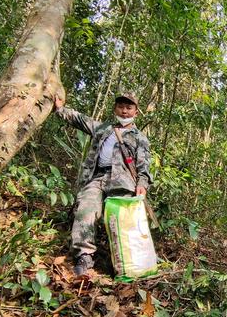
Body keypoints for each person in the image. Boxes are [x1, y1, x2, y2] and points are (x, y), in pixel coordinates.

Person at [51, 89, 152, 279]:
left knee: (121, 223)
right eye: (121, 106)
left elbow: (144, 165)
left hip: (123, 183)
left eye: (129, 108)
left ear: (136, 112)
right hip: (97, 178)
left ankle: (123, 265)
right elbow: (80, 120)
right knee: (86, 209)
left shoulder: (140, 137)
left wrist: (143, 184)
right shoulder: (103, 128)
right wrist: (60, 109)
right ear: (115, 108)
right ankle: (84, 256)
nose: (124, 111)